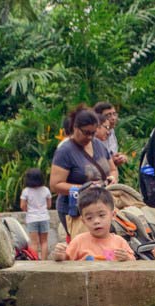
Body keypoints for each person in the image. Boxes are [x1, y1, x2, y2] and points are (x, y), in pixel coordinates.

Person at [50, 106, 118, 238]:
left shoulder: (98, 144)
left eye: (93, 133)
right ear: (75, 128)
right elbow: (55, 185)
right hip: (76, 210)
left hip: (102, 204)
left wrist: (112, 178)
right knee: (86, 246)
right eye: (86, 132)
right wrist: (84, 188)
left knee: (105, 244)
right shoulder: (65, 151)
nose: (90, 137)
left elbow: (113, 169)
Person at [53, 185, 135, 261]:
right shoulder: (78, 242)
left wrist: (127, 258)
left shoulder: (119, 242)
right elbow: (66, 259)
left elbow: (134, 263)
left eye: (101, 215)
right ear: (83, 221)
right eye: (89, 218)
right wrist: (60, 255)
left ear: (112, 215)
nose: (96, 221)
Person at [19, 167, 52, 260]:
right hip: (44, 217)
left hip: (32, 218)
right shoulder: (45, 190)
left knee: (34, 242)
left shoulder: (26, 191)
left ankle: (35, 260)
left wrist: (28, 209)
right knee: (44, 241)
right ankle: (44, 261)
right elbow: (49, 205)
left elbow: (22, 206)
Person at [93, 101, 128, 166]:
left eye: (114, 114)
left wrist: (119, 158)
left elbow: (112, 155)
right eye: (108, 115)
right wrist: (111, 161)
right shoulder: (92, 137)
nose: (113, 118)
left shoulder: (112, 131)